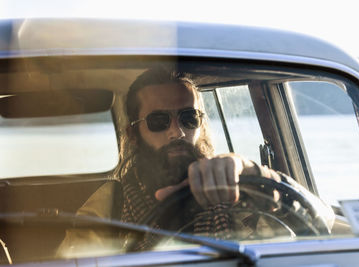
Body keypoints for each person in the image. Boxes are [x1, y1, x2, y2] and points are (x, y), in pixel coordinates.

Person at [57, 66, 334, 257]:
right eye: (159, 121)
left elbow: (322, 225)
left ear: (200, 125)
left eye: (189, 118)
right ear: (133, 134)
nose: (177, 132)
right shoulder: (109, 205)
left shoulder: (239, 186)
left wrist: (255, 175)